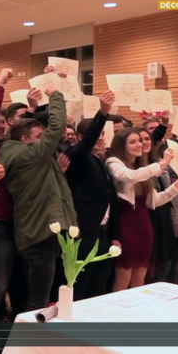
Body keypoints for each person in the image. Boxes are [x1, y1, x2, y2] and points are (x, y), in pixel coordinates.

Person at [0, 83, 76, 313]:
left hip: (40, 232)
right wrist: (56, 95)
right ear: (25, 139)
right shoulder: (28, 154)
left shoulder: (28, 155)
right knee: (38, 302)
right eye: (39, 136)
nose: (45, 140)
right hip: (37, 234)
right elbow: (57, 127)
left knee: (39, 299)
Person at [104, 128, 178, 290]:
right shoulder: (113, 162)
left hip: (144, 225)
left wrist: (174, 188)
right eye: (133, 142)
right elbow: (129, 176)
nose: (139, 145)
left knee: (140, 278)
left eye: (140, 141)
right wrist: (161, 164)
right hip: (125, 225)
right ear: (121, 145)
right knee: (123, 277)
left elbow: (153, 201)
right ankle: (116, 313)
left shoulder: (141, 166)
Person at [62, 91, 117, 300]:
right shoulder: (78, 157)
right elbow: (86, 144)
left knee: (99, 282)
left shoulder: (100, 160)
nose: (101, 139)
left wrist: (113, 234)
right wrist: (102, 113)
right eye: (98, 135)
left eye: (103, 135)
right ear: (79, 138)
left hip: (101, 231)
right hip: (84, 231)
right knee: (81, 283)